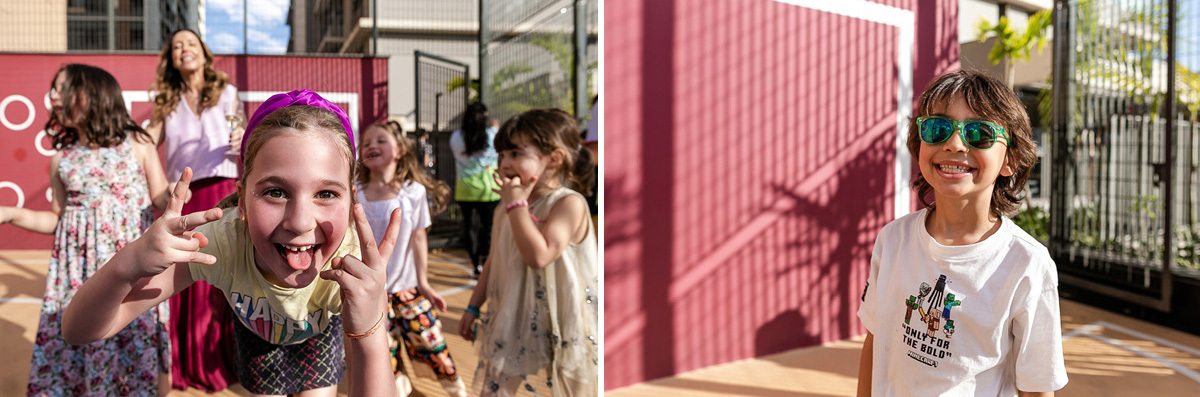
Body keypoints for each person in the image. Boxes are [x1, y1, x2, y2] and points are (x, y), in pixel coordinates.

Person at [61, 90, 400, 397]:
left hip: (317, 338)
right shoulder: (219, 243)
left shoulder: (350, 264)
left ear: (351, 198)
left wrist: (370, 332)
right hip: (256, 338)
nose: (300, 222)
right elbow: (79, 330)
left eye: (326, 193)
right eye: (275, 192)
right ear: (241, 202)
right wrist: (129, 262)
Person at [855, 70, 1068, 396]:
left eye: (979, 133)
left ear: (1009, 159)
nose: (954, 144)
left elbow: (1036, 388)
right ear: (920, 144)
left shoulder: (1026, 264)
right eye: (937, 129)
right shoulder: (893, 239)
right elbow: (876, 338)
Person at [0, 64, 173, 396]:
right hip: (76, 273)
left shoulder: (138, 144)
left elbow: (160, 197)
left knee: (134, 340)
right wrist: (10, 213)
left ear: (93, 94)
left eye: (61, 88)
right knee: (80, 334)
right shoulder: (62, 159)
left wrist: (175, 194)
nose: (52, 96)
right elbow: (57, 219)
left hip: (131, 270)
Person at [457, 108, 599, 396]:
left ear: (554, 158)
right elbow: (494, 261)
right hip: (516, 317)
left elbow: (540, 255)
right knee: (494, 391)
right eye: (502, 155)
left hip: (565, 321)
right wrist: (473, 306)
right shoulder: (505, 208)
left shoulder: (568, 204)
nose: (505, 163)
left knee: (572, 389)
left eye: (515, 153)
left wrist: (515, 207)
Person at [147, 28, 242, 392]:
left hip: (223, 191)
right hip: (184, 197)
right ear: (172, 59)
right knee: (183, 279)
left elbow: (242, 134)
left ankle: (223, 360)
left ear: (203, 52)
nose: (184, 49)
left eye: (190, 43)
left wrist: (243, 133)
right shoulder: (165, 102)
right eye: (176, 46)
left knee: (221, 275)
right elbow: (143, 143)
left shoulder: (228, 93)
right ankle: (184, 364)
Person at [356, 122, 467, 396]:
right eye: (367, 142)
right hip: (373, 294)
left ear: (399, 151)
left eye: (381, 140)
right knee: (384, 355)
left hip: (407, 290)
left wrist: (424, 283)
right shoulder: (355, 193)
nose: (371, 145)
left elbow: (419, 238)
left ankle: (455, 389)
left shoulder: (413, 192)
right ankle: (398, 387)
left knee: (432, 345)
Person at [449, 102, 501, 277]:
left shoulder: (456, 136)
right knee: (489, 227)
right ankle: (486, 260)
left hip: (466, 188)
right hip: (489, 187)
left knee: (470, 227)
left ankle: (475, 264)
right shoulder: (493, 134)